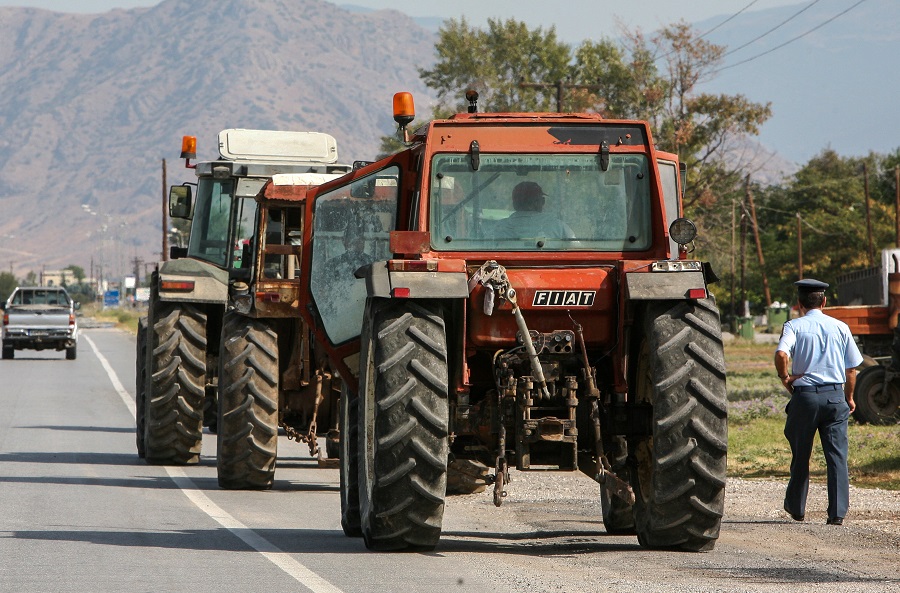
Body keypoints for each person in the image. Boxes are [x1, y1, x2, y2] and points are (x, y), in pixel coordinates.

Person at [774, 278, 863, 526]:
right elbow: (852, 369)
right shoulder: (841, 327)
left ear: (799, 303)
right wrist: (849, 397)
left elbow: (782, 353)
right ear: (824, 301)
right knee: (837, 456)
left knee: (801, 453)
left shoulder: (793, 326)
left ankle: (797, 508)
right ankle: (837, 513)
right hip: (835, 397)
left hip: (805, 398)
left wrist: (785, 378)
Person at [493, 181, 575, 240]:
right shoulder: (558, 227)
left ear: (514, 205)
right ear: (541, 202)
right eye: (542, 200)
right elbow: (576, 249)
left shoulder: (498, 228)